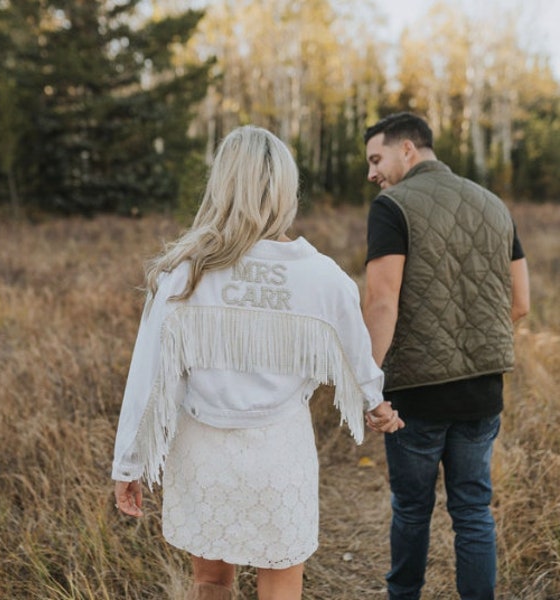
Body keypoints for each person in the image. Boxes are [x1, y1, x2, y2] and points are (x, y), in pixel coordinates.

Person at [111, 125, 404, 600]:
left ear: (221, 185)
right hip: (279, 454)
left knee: (209, 582)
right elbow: (358, 358)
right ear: (286, 189)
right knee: (281, 579)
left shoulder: (185, 273)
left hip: (202, 451)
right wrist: (374, 404)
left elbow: (146, 375)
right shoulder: (321, 277)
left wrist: (129, 463)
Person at [361, 112, 530, 600]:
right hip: (483, 391)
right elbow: (519, 304)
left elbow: (381, 302)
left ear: (407, 150)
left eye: (377, 159)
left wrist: (368, 384)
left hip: (417, 394)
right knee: (474, 508)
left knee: (412, 509)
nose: (372, 173)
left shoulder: (392, 206)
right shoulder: (494, 204)